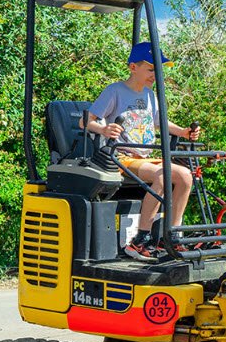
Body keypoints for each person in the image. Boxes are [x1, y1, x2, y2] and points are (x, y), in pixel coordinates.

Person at [84, 42, 201, 260]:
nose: (155, 75)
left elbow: (159, 123)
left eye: (158, 70)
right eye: (150, 69)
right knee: (163, 177)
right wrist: (104, 128)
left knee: (185, 176)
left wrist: (184, 132)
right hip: (121, 158)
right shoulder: (115, 91)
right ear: (132, 67)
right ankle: (140, 240)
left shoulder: (150, 95)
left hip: (147, 157)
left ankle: (173, 236)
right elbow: (86, 122)